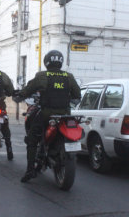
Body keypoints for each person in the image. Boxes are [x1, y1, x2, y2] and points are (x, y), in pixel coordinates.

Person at [16, 50, 81, 182]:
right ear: (60, 62)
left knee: (32, 139)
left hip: (46, 114)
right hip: (64, 115)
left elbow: (28, 90)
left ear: (47, 62)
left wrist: (20, 95)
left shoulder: (42, 76)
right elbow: (77, 95)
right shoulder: (69, 76)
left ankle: (30, 170)